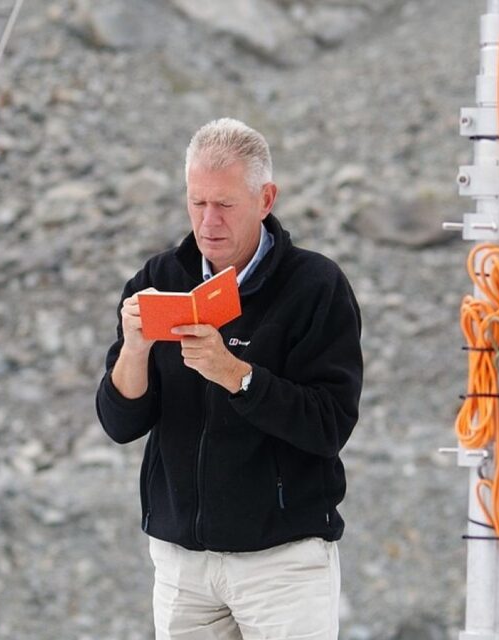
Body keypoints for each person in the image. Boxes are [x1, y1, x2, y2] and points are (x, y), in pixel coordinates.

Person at [95, 118, 364, 640]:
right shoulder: (157, 280)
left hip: (281, 563)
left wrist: (236, 376)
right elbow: (119, 424)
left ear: (265, 199)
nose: (208, 222)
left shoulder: (315, 286)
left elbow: (330, 425)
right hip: (182, 565)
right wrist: (135, 348)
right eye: (197, 203)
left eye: (225, 205)